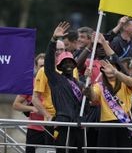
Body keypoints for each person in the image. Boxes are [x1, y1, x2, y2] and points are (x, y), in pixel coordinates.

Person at [85, 36, 132, 153]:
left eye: (112, 67)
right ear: (102, 71)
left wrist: (116, 72)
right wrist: (87, 84)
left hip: (123, 123)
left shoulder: (124, 83)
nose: (109, 70)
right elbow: (93, 98)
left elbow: (131, 82)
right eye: (106, 68)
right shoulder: (99, 85)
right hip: (106, 124)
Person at [44, 21, 85, 153]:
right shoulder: (56, 79)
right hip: (63, 125)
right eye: (64, 62)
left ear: (74, 65)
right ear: (60, 66)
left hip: (78, 125)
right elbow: (49, 63)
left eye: (70, 62)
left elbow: (86, 105)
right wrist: (54, 40)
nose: (68, 65)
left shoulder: (79, 84)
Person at [32, 40, 66, 145]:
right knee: (50, 149)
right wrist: (47, 115)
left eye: (62, 50)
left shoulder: (70, 68)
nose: (60, 53)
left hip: (68, 119)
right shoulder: (43, 71)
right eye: (57, 51)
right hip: (52, 119)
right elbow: (35, 98)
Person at [13, 53, 45, 153]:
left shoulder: (55, 83)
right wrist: (32, 109)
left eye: (45, 66)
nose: (43, 69)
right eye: (41, 66)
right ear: (36, 67)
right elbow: (16, 105)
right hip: (34, 129)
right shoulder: (30, 83)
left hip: (51, 128)